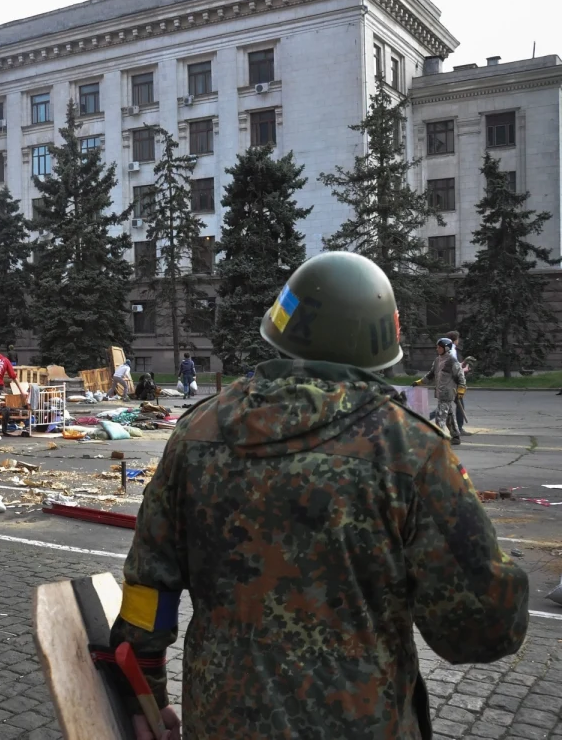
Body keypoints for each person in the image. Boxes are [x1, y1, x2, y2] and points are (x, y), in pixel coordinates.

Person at [109, 251, 528, 740]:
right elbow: (480, 629)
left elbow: (147, 586)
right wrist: (500, 570)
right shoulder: (409, 450)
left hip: (222, 721)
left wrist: (145, 697)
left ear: (283, 330)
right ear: (380, 342)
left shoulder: (197, 431)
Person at [416, 338, 466, 446]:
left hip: (447, 393)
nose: (437, 349)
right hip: (440, 393)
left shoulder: (452, 361)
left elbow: (460, 376)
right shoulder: (438, 360)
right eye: (437, 347)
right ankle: (456, 436)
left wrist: (461, 389)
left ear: (446, 348)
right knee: (449, 416)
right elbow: (431, 375)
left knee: (440, 417)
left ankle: (440, 440)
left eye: (439, 347)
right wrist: (420, 382)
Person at [445, 330, 470, 435]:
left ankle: (458, 428)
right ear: (455, 340)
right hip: (452, 383)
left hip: (449, 382)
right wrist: (464, 369)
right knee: (459, 405)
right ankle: (459, 428)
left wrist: (463, 363)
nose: (458, 340)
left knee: (445, 406)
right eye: (458, 339)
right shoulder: (451, 351)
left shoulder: (449, 349)